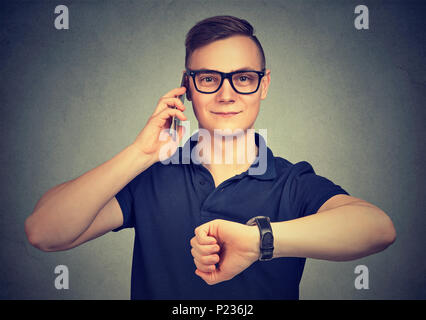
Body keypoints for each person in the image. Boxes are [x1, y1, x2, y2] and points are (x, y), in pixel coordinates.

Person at [25, 16, 396, 299]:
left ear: (263, 85)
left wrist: (259, 241)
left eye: (243, 78)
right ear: (187, 87)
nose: (226, 94)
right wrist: (140, 153)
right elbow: (45, 232)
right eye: (208, 79)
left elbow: (377, 228)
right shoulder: (151, 176)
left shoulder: (292, 183)